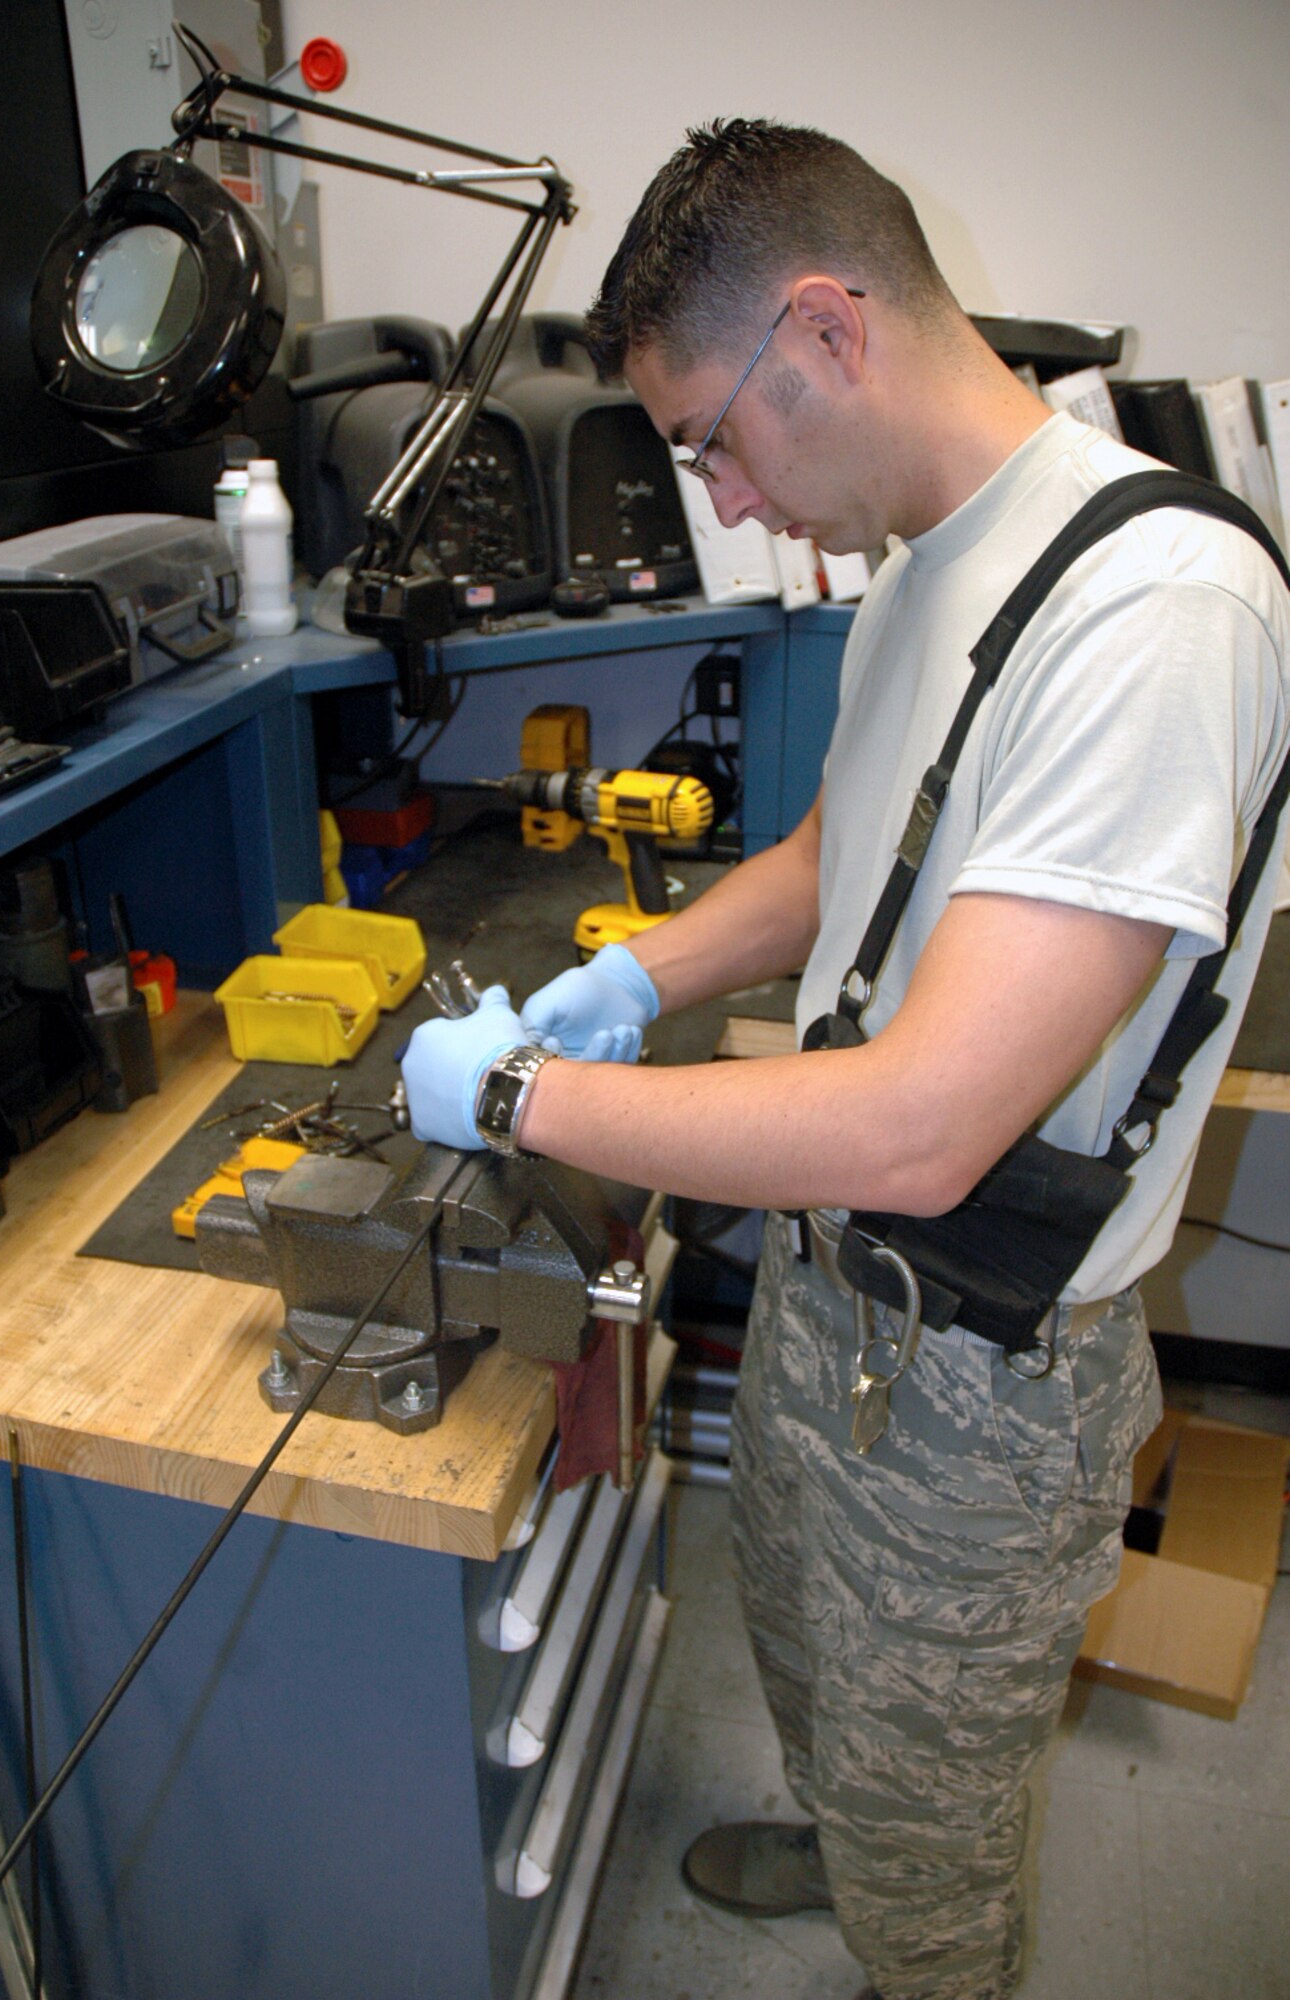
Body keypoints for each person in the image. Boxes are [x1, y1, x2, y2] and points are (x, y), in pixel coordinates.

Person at [403, 120, 1290, 2000]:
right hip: (831, 1301)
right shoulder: (920, 559)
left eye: (716, 438)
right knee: (813, 1663)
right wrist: (634, 976)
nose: (721, 503)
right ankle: (849, 1828)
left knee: (939, 1871)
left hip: (977, 1374)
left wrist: (515, 1098)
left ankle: (911, 1926)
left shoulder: (1151, 612)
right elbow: (842, 858)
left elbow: (924, 1122)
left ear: (823, 329)